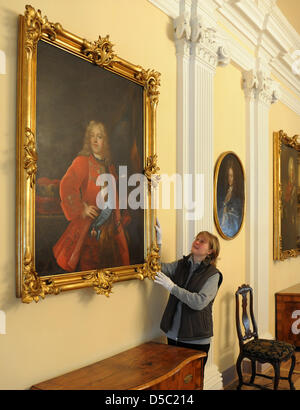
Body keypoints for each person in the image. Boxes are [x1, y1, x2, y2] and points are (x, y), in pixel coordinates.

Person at [53, 120, 130, 272]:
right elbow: (66, 186)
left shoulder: (110, 166)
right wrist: (82, 208)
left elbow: (115, 197)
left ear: (105, 141)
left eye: (99, 136)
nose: (95, 140)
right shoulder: (82, 162)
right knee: (88, 270)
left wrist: (118, 219)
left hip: (109, 230)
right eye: (92, 136)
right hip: (89, 227)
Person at [154, 220, 223, 369]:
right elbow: (156, 268)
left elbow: (198, 302)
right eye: (196, 239)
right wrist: (158, 243)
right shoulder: (181, 265)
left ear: (210, 251)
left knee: (193, 383)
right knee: (175, 382)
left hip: (196, 339)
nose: (197, 242)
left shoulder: (213, 275)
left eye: (202, 241)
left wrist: (172, 287)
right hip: (173, 334)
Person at [217, 161, 242, 238]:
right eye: (228, 176)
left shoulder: (237, 194)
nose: (229, 179)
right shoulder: (225, 191)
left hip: (231, 225)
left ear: (235, 177)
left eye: (231, 176)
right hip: (223, 223)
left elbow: (236, 214)